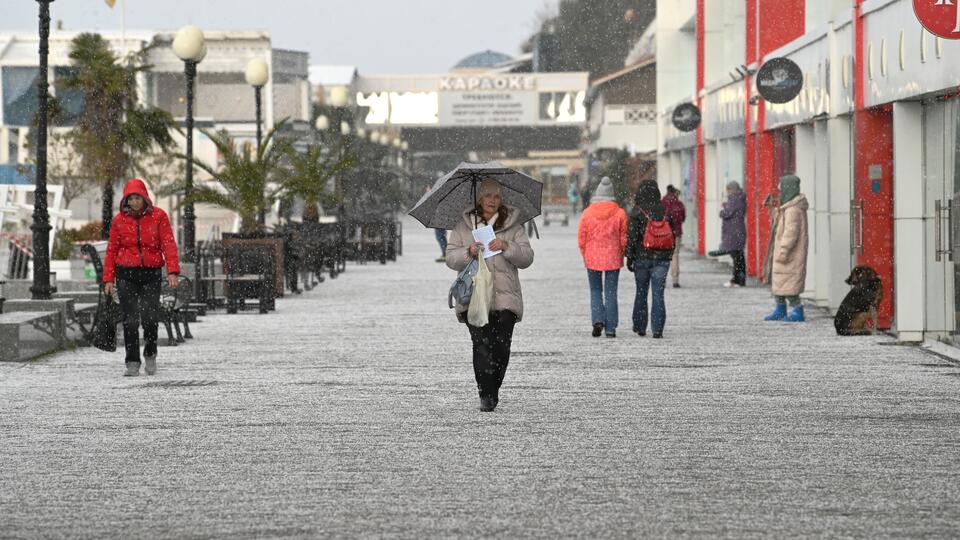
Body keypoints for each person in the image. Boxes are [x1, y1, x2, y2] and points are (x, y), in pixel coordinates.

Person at [446, 178, 534, 412]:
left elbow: (526, 258)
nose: (491, 201)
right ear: (479, 198)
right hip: (474, 297)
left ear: (501, 199)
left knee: (501, 347)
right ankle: (486, 394)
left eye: (496, 196)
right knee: (481, 344)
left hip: (505, 298)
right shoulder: (464, 226)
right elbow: (451, 258)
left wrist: (506, 246)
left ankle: (493, 388)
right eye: (487, 196)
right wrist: (469, 251)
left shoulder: (514, 226)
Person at [103, 178, 180, 377]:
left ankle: (151, 353)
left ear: (145, 198)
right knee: (130, 320)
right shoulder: (119, 221)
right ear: (126, 200)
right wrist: (109, 279)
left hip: (151, 274)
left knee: (150, 317)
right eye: (131, 198)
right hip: (126, 274)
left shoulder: (159, 217)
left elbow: (168, 244)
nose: (134, 202)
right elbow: (112, 250)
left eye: (137, 197)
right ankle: (132, 361)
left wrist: (172, 271)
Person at [577, 176, 627, 338]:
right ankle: (611, 328)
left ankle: (598, 320)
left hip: (592, 256)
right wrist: (621, 251)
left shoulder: (587, 213)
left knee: (596, 290)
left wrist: (585, 253)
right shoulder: (620, 213)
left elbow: (582, 237)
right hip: (613, 256)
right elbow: (623, 238)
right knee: (611, 292)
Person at [626, 179, 674, 338]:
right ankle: (658, 329)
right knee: (658, 294)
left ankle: (640, 326)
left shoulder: (637, 211)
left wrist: (630, 257)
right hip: (662, 258)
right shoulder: (665, 211)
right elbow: (671, 235)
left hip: (642, 257)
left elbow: (632, 237)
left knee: (641, 292)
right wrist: (669, 255)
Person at [763, 174, 809, 322]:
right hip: (784, 253)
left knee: (789, 285)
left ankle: (797, 310)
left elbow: (791, 234)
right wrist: (773, 209)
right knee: (780, 283)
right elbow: (777, 224)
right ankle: (780, 308)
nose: (780, 193)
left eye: (781, 190)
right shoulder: (787, 208)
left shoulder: (793, 210)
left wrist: (783, 251)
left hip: (790, 255)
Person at [719, 181, 747, 288]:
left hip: (734, 232)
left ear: (732, 189)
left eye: (728, 189)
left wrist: (722, 211)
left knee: (737, 257)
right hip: (737, 231)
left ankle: (737, 280)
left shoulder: (735, 199)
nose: (727, 192)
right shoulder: (739, 198)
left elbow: (727, 213)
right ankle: (738, 279)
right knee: (738, 256)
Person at [661, 184, 687, 288]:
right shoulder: (679, 204)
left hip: (664, 233)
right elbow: (683, 218)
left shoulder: (662, 202)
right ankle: (675, 280)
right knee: (675, 255)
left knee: (663, 256)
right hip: (677, 233)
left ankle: (662, 279)